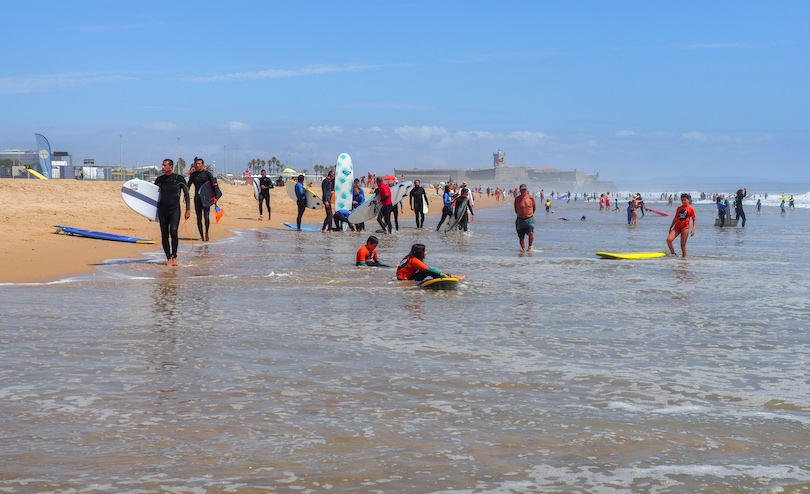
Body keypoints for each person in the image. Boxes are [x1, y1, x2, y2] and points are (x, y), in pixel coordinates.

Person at [154, 159, 191, 266]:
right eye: (162, 165)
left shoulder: (179, 178)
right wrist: (150, 213)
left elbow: (187, 193)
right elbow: (153, 196)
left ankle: (174, 256)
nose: (162, 167)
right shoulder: (159, 180)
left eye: (165, 165)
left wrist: (188, 209)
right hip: (162, 210)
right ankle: (168, 257)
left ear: (171, 166)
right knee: (164, 234)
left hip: (174, 209)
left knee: (173, 231)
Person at [187, 157, 219, 241]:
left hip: (206, 199)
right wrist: (185, 196)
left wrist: (216, 197)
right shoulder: (193, 175)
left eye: (199, 164)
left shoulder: (207, 174)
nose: (197, 165)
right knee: (199, 218)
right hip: (197, 199)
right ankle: (201, 235)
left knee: (206, 217)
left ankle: (207, 232)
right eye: (196, 164)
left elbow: (214, 185)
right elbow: (188, 185)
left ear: (202, 164)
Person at [667, 193, 697, 258]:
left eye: (684, 200)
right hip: (677, 227)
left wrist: (693, 229)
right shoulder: (679, 208)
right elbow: (675, 218)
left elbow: (694, 219)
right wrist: (671, 227)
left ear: (688, 200)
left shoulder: (691, 209)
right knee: (669, 240)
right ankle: (673, 253)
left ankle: (683, 260)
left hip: (685, 228)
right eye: (682, 200)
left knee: (683, 245)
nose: (683, 201)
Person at [514, 184, 536, 251]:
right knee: (521, 237)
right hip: (520, 220)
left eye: (524, 189)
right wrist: (521, 214)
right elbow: (516, 209)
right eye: (522, 190)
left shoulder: (531, 198)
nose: (523, 191)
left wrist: (529, 214)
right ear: (520, 190)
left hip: (529, 219)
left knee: (531, 233)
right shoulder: (517, 199)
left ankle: (529, 247)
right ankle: (523, 250)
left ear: (527, 190)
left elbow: (534, 208)